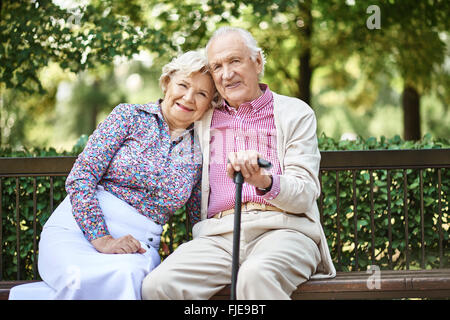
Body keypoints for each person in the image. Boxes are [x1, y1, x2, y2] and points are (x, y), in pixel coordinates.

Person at [141, 27, 336, 300]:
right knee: (159, 285)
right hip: (218, 236)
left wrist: (264, 181)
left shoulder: (295, 113)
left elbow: (305, 193)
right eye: (217, 66)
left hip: (283, 229)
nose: (226, 74)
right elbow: (172, 107)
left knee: (256, 276)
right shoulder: (203, 116)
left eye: (235, 61)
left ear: (257, 62)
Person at [8, 50, 219, 300]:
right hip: (76, 231)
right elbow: (81, 177)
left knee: (127, 275)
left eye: (202, 93)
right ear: (166, 83)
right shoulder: (128, 117)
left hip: (136, 247)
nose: (188, 97)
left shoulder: (202, 149)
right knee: (78, 279)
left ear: (210, 103)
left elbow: (199, 215)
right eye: (183, 85)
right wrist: (102, 238)